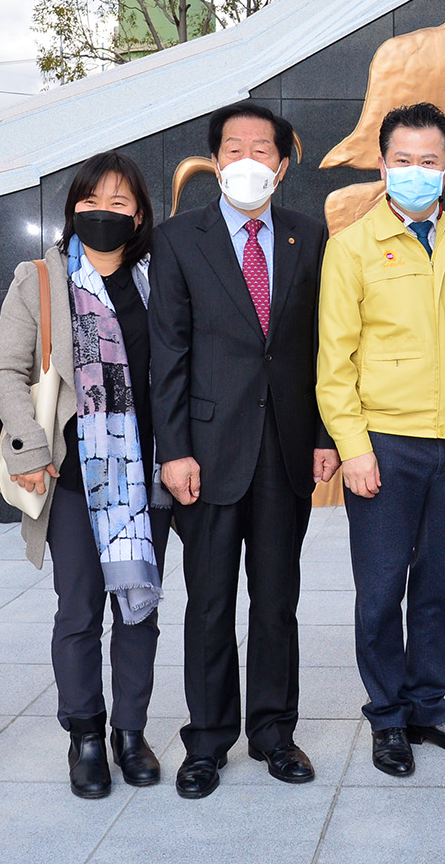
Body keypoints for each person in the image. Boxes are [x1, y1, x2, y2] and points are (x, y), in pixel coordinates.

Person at [149, 101, 337, 798]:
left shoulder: (307, 235)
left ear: (282, 165)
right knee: (209, 601)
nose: (249, 160)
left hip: (286, 448)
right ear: (214, 160)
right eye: (235, 148)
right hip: (207, 448)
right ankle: (207, 739)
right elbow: (167, 351)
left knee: (277, 598)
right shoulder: (177, 240)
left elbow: (324, 344)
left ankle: (273, 731)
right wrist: (174, 448)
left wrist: (324, 436)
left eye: (264, 149)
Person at [317, 102, 445, 778]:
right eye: (402, 160)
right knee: (381, 585)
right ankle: (387, 715)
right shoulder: (352, 246)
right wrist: (354, 447)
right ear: (382, 164)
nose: (415, 172)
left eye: (429, 161)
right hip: (385, 444)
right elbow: (334, 361)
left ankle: (429, 703)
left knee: (443, 584)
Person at [0, 151, 169, 798]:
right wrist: (29, 451)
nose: (104, 213)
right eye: (92, 202)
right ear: (72, 211)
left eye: (119, 203)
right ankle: (86, 733)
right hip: (71, 478)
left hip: (146, 482)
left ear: (141, 214)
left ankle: (130, 731)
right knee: (81, 609)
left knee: (140, 610)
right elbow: (5, 370)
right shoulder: (41, 279)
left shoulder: (159, 278)